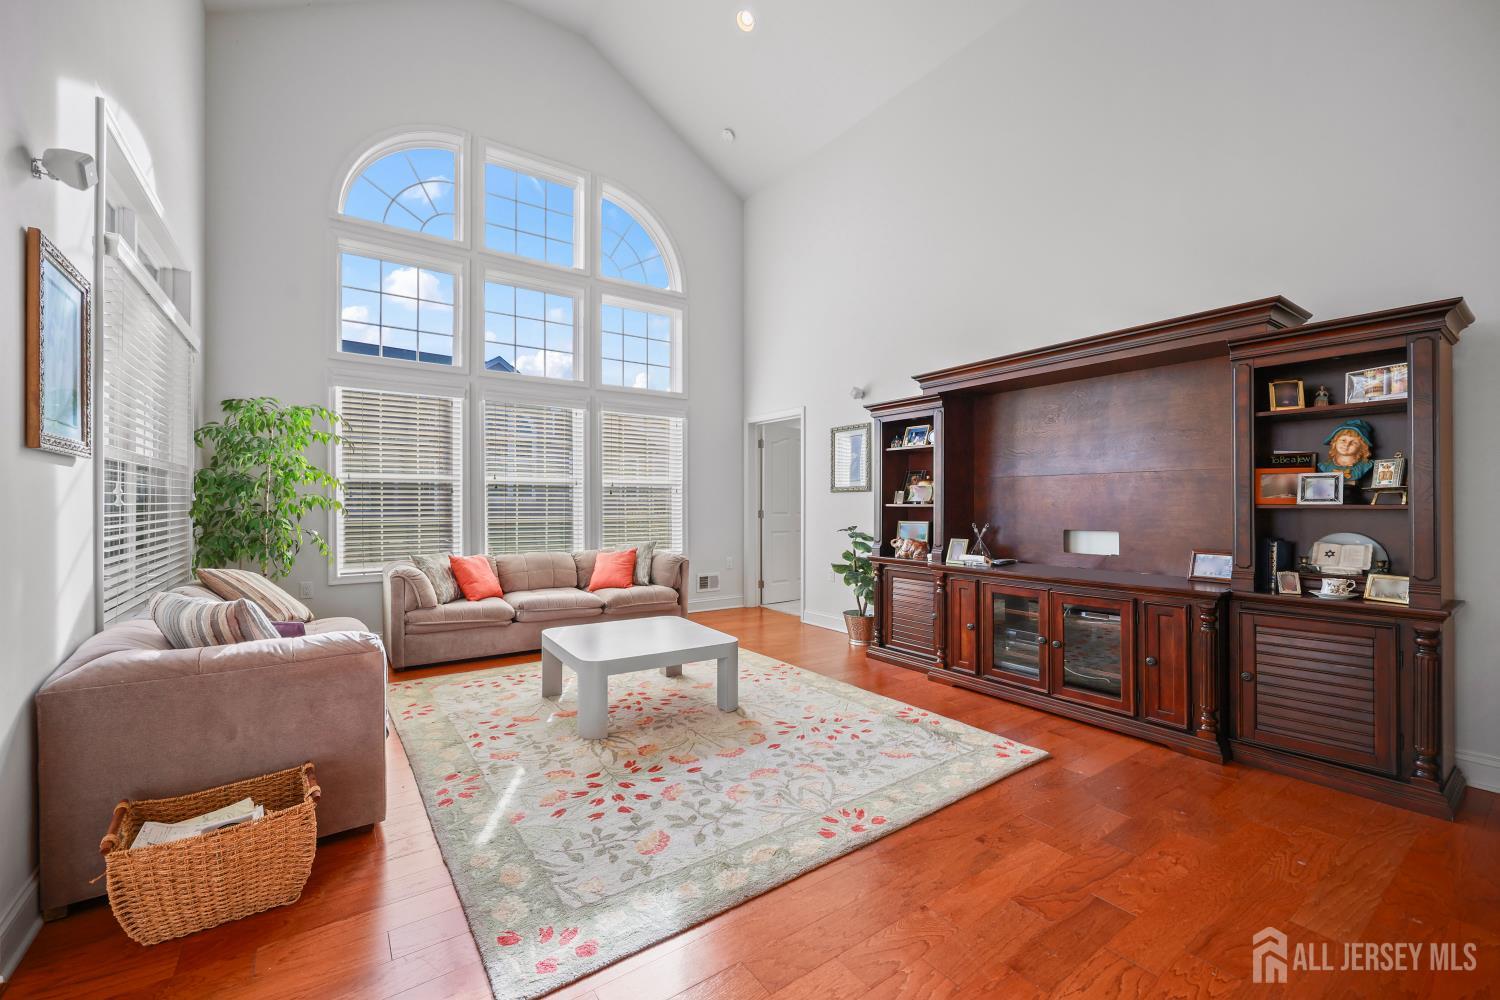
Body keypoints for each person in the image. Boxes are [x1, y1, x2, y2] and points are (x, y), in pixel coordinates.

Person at [1319, 418, 1374, 484]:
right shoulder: (1325, 466)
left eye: (1354, 442)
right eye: (1343, 440)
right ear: (1334, 442)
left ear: (1362, 447)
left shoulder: (1365, 465)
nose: (1347, 445)